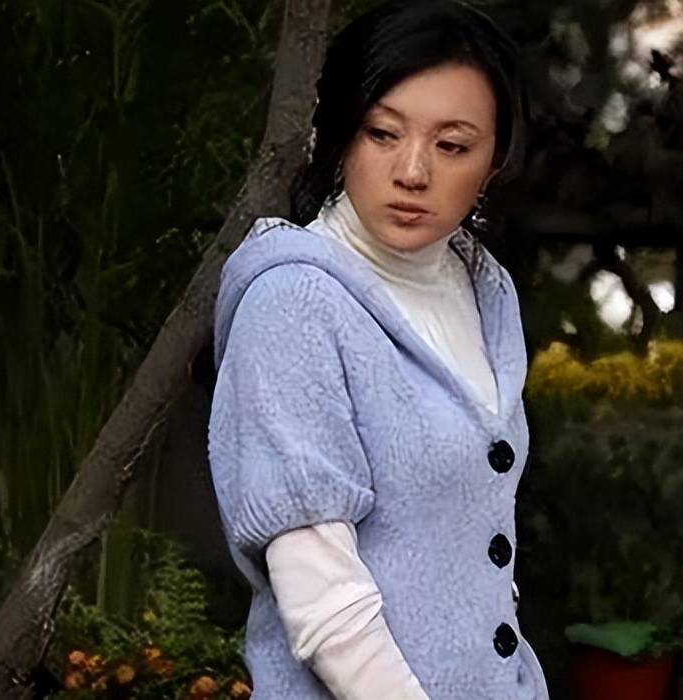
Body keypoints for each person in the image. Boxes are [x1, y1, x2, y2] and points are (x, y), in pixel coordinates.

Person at [207, 2, 548, 697]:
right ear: (338, 137)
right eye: (382, 134)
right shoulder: (294, 301)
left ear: (494, 159)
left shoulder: (484, 288)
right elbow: (322, 600)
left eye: (452, 146)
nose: (412, 171)